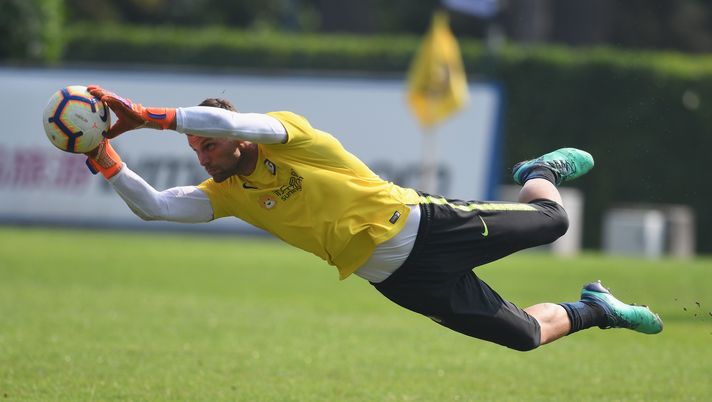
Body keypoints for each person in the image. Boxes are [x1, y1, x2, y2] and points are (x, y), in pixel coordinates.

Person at [83, 85, 663, 351]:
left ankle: (540, 170)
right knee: (525, 336)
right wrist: (102, 155)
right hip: (397, 278)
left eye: (207, 145)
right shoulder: (228, 193)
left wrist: (149, 117)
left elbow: (238, 124)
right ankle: (597, 309)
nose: (203, 157)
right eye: (196, 150)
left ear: (233, 138)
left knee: (553, 220)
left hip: (423, 225)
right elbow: (154, 206)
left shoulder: (290, 136)